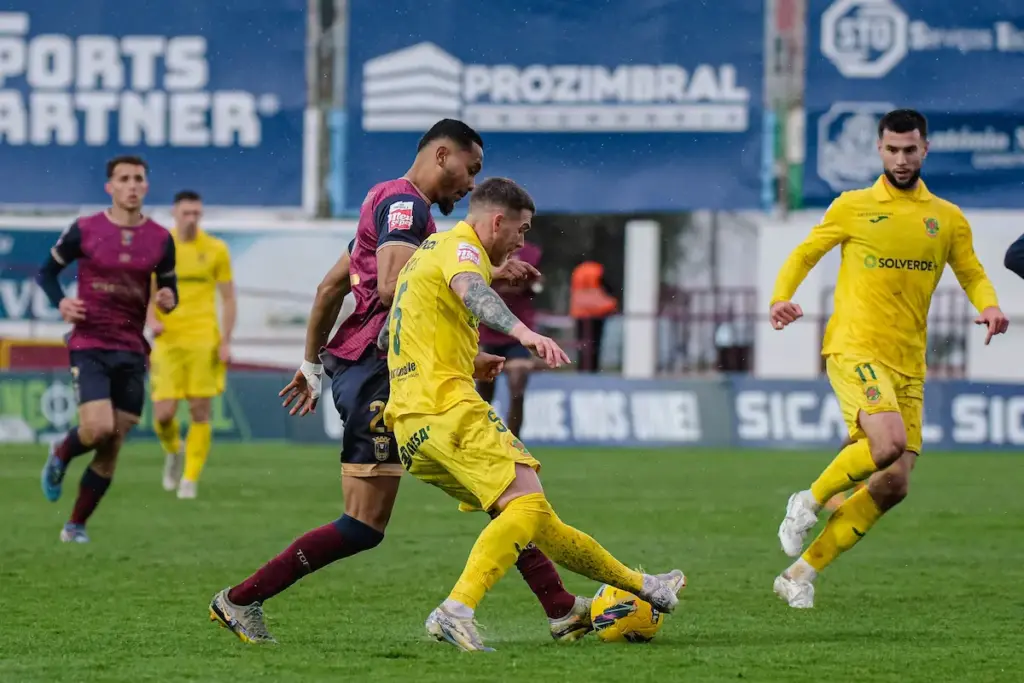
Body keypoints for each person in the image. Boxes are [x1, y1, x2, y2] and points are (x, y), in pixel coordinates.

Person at [209, 120, 592, 644]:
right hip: (376, 372)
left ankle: (561, 607)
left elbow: (329, 289)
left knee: (419, 512)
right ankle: (240, 599)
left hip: (371, 368)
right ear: (441, 155)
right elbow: (392, 289)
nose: (469, 184)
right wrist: (477, 274)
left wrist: (312, 365)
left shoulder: (383, 201)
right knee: (477, 496)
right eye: (469, 169)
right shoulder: (409, 209)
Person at [379, 177, 685, 652]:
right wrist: (524, 333)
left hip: (413, 427)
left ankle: (640, 587)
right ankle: (455, 610)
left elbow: (389, 338)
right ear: (497, 221)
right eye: (521, 230)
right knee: (526, 507)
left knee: (534, 517)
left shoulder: (428, 250)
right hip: (447, 409)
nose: (523, 240)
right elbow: (470, 291)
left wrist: (466, 357)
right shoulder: (462, 249)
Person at [769, 109, 1008, 608]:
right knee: (886, 443)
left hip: (908, 363)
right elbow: (805, 254)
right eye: (893, 149)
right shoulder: (853, 206)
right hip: (855, 347)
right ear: (880, 150)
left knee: (894, 483)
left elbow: (971, 272)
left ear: (926, 149)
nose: (902, 159)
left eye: (910, 149)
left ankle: (799, 574)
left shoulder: (946, 217)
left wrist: (988, 306)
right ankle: (806, 501)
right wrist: (781, 296)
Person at [37, 155, 178, 544]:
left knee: (112, 442)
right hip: (91, 340)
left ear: (146, 187)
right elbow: (46, 272)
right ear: (110, 187)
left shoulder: (161, 239)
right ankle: (62, 453)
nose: (132, 185)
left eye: (138, 179)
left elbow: (170, 290)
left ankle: (76, 524)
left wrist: (167, 300)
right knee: (97, 428)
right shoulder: (86, 230)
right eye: (124, 179)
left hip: (132, 348)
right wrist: (61, 302)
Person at [149, 190, 236, 500]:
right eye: (186, 213)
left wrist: (225, 340)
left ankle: (190, 478)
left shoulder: (215, 249)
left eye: (196, 213)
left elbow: (228, 297)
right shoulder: (160, 246)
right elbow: (147, 290)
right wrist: (151, 320)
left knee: (200, 411)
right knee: (163, 414)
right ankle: (174, 450)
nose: (191, 218)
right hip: (168, 339)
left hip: (203, 339)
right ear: (174, 213)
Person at [475, 241, 542, 436]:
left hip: (516, 333)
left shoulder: (532, 253)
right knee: (484, 394)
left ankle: (514, 442)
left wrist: (534, 283)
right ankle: (482, 439)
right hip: (488, 332)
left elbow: (537, 285)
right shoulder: (484, 251)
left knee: (517, 385)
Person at [569, 261, 617, 372]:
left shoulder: (579, 272)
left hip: (580, 313)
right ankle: (592, 370)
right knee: (595, 344)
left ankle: (582, 369)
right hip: (597, 313)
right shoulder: (597, 271)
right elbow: (609, 289)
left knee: (583, 344)